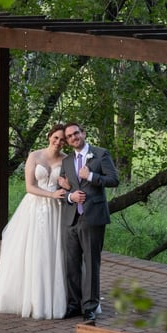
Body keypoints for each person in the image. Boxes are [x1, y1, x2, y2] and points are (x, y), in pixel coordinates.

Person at [0, 124, 69, 319]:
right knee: (34, 250)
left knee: (55, 250)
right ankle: (32, 298)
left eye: (62, 139)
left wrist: (65, 187)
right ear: (49, 136)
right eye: (56, 137)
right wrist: (51, 193)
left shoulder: (67, 160)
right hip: (35, 207)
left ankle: (54, 298)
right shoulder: (35, 156)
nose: (58, 142)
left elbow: (71, 184)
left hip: (57, 210)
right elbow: (29, 187)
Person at [58, 122, 119, 321]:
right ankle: (74, 304)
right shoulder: (67, 161)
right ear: (67, 141)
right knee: (71, 264)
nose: (74, 137)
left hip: (93, 217)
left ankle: (90, 307)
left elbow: (113, 180)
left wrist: (91, 175)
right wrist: (69, 196)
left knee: (91, 264)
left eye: (76, 133)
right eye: (69, 136)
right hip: (71, 218)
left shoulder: (100, 154)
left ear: (83, 133)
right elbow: (63, 187)